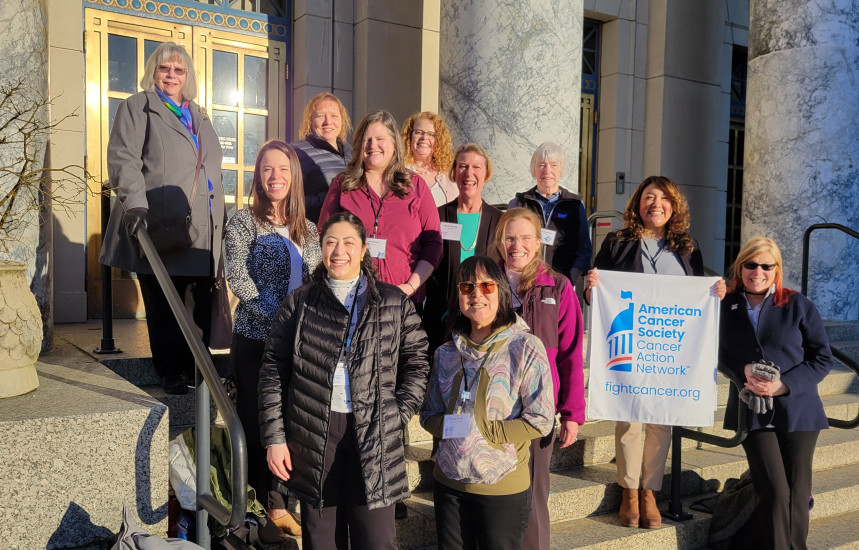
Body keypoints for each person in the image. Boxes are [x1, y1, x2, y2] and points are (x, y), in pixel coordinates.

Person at [258, 212, 430, 548]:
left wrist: (398, 412)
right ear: (320, 248)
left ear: (364, 248)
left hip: (375, 432)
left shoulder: (392, 302)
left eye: (349, 242)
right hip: (314, 431)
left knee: (376, 538)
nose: (339, 250)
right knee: (321, 538)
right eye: (330, 242)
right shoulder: (300, 302)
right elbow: (273, 371)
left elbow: (418, 363)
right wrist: (275, 437)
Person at [584, 175, 726, 529]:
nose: (655, 204)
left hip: (669, 348)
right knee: (629, 417)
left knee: (661, 419)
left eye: (663, 198)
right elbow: (598, 296)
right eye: (648, 197)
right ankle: (629, 492)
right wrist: (591, 288)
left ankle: (650, 490)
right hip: (631, 344)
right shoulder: (617, 242)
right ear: (637, 204)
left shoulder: (688, 247)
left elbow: (698, 296)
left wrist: (717, 292)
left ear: (673, 206)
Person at [99, 42, 224, 395]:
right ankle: (171, 371)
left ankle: (197, 369)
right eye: (164, 69)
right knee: (164, 303)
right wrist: (136, 205)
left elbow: (209, 171)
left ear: (188, 76)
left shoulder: (200, 115)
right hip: (160, 224)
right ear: (153, 72)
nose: (171, 75)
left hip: (200, 229)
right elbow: (124, 159)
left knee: (198, 305)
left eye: (179, 70)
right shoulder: (138, 107)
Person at [421, 255, 555, 550]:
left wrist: (489, 432)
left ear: (502, 291)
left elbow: (542, 419)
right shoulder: (445, 352)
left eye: (486, 286)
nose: (476, 294)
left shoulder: (525, 346)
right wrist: (448, 428)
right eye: (467, 287)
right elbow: (428, 412)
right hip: (449, 482)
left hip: (502, 486)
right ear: (458, 296)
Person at [224, 140, 321, 537]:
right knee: (257, 420)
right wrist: (278, 318)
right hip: (256, 339)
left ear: (293, 176)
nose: (275, 176)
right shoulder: (243, 221)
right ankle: (260, 507)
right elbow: (238, 277)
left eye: (283, 169)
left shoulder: (310, 228)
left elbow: (318, 281)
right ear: (258, 176)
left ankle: (281, 501)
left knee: (291, 423)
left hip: (299, 344)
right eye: (267, 169)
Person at [719, 236, 833, 550]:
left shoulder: (797, 303)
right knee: (774, 491)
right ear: (740, 268)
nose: (758, 271)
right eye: (751, 265)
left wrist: (784, 385)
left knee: (797, 493)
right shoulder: (725, 305)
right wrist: (740, 368)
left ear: (776, 269)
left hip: (798, 411)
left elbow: (823, 358)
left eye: (766, 266)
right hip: (751, 410)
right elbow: (714, 352)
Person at [495, 207, 585, 550]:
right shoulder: (486, 281)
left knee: (533, 495)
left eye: (525, 238)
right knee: (494, 495)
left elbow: (570, 354)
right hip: (493, 406)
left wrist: (573, 413)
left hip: (538, 409)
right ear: (500, 243)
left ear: (538, 244)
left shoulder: (557, 286)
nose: (516, 245)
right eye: (509, 238)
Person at [319, 110, 443, 304]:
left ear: (394, 144)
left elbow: (434, 244)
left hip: (404, 301)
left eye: (380, 139)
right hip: (353, 301)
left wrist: (410, 287)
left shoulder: (416, 187)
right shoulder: (343, 185)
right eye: (367, 140)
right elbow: (323, 236)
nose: (373, 146)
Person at [424, 143, 503, 352]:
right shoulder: (436, 216)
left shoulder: (499, 221)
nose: (469, 173)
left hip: (486, 324)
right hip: (441, 323)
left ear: (486, 174)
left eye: (476, 167)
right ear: (453, 172)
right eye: (462, 166)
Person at [509, 142, 592, 284]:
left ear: (561, 170)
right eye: (541, 165)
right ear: (534, 170)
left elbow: (584, 248)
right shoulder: (519, 203)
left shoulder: (575, 204)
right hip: (525, 283)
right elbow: (505, 244)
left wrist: (569, 279)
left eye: (554, 165)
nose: (547, 171)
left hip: (560, 285)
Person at [293, 92, 352, 223]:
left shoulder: (352, 153)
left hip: (348, 235)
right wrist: (332, 197)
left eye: (334, 116)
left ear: (342, 120)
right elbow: (290, 202)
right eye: (320, 116)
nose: (328, 122)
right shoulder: (297, 153)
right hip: (316, 235)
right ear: (310, 120)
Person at [401, 111, 458, 206]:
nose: (424, 138)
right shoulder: (398, 172)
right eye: (418, 132)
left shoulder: (450, 174)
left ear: (439, 140)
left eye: (431, 134)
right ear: (409, 136)